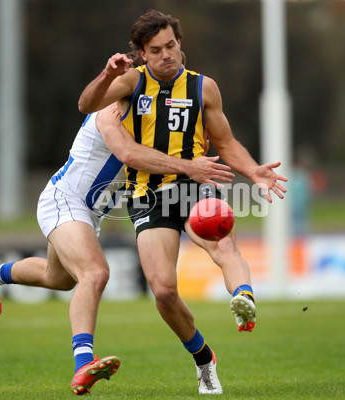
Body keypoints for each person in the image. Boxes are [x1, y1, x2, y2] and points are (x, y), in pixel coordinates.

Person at [78, 9, 287, 395]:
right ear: (142, 53)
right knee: (163, 291)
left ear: (180, 44)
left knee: (222, 243)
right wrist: (108, 73)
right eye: (155, 50)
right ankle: (204, 358)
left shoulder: (203, 88)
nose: (166, 55)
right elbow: (86, 105)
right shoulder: (130, 82)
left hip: (196, 185)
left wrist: (253, 170)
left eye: (171, 46)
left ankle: (244, 298)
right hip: (146, 194)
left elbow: (223, 143)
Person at [0, 105, 234, 396]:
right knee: (94, 273)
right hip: (64, 199)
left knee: (57, 277)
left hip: (90, 214)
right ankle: (83, 362)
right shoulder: (113, 114)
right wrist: (187, 162)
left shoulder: (155, 120)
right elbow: (131, 154)